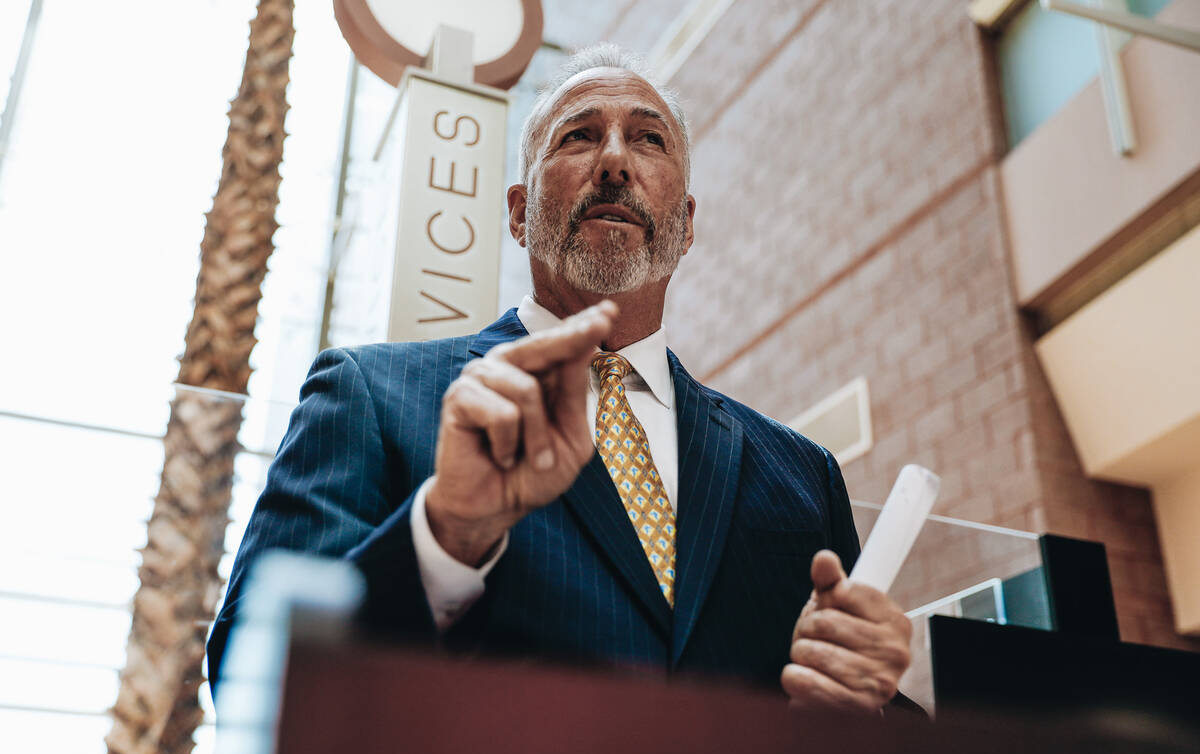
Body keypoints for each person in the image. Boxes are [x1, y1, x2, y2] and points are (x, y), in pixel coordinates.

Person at [207, 43, 914, 714]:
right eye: (578, 137)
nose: (613, 161)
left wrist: (872, 707)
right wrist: (447, 536)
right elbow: (251, 675)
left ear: (688, 223)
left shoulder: (801, 472)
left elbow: (864, 734)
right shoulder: (369, 394)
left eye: (648, 139)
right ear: (518, 214)